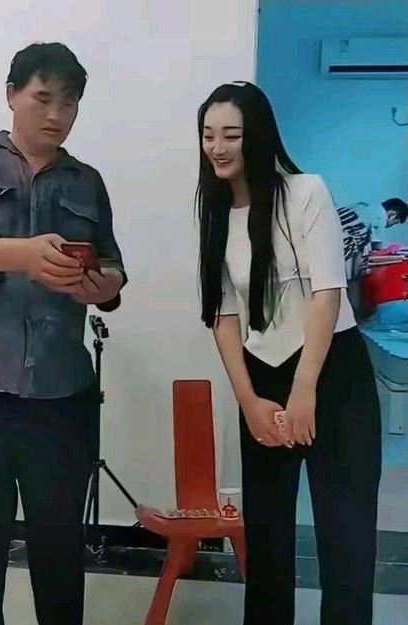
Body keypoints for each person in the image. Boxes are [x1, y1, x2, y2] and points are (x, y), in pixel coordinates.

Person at [0, 42, 127, 625]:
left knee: (60, 557)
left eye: (69, 103)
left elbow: (113, 269)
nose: (56, 114)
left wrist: (96, 285)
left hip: (61, 399)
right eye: (43, 98)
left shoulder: (87, 181)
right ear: (12, 95)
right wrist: (23, 255)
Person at [195, 81, 381, 625]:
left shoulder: (305, 193)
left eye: (231, 135)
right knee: (268, 534)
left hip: (332, 372)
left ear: (258, 135)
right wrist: (249, 402)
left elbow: (327, 292)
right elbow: (223, 314)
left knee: (345, 534)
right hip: (262, 375)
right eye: (208, 135)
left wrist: (304, 393)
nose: (218, 147)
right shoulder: (216, 210)